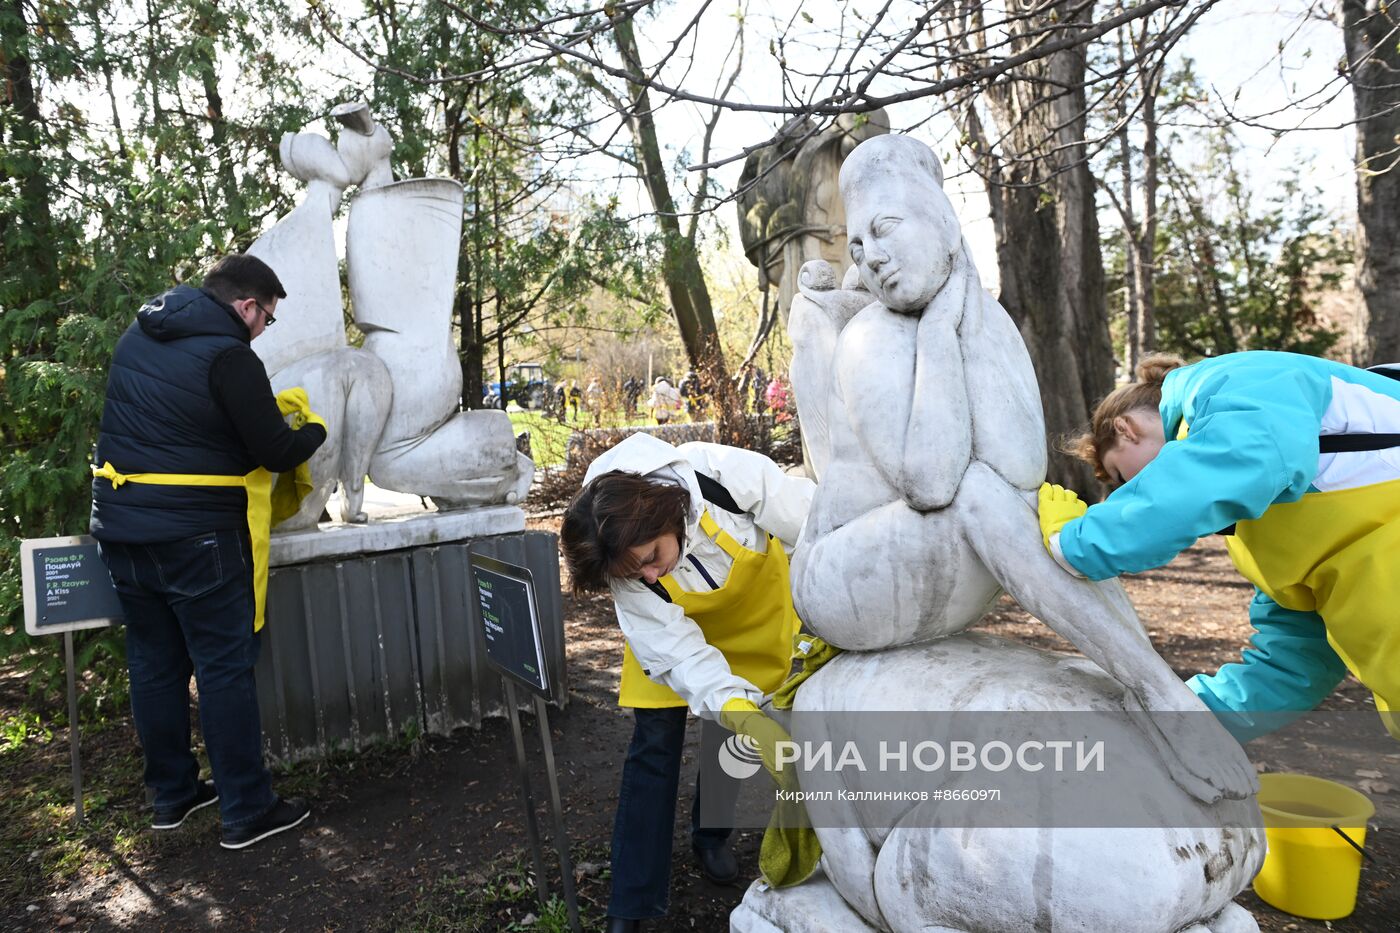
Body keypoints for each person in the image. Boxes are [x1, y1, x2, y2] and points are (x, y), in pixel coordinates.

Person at [1040, 350, 1400, 743]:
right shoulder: (1259, 532)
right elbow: (1294, 660)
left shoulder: (1235, 383)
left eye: (1121, 476)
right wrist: (1182, 720)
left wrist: (1078, 542)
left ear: (1126, 429)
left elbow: (1232, 460)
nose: (1127, 491)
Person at [90, 255, 327, 849]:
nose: (263, 331)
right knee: (224, 668)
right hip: (196, 536)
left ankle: (172, 795)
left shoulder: (139, 333)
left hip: (120, 529)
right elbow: (273, 450)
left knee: (153, 663)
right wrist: (314, 430)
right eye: (267, 320)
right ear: (247, 305)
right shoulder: (230, 356)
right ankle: (247, 808)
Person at [561, 434, 815, 932]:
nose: (653, 574)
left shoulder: (725, 476)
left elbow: (816, 530)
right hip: (673, 637)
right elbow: (678, 653)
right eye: (639, 573)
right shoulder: (623, 560)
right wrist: (735, 706)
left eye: (654, 555)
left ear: (661, 513)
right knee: (654, 745)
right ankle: (631, 902)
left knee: (731, 735)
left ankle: (711, 836)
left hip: (753, 616)